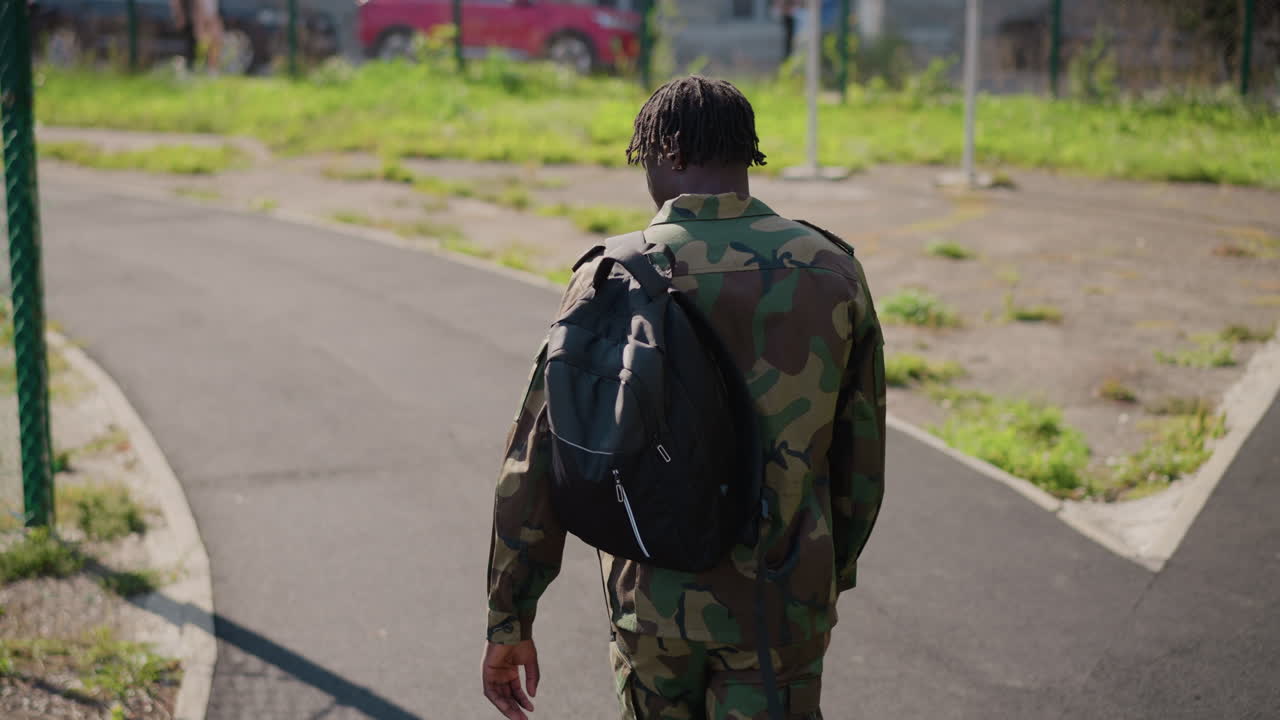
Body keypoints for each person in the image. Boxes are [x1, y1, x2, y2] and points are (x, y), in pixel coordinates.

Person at [482, 75, 886, 720]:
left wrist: (510, 617)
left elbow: (537, 458)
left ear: (668, 150)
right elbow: (862, 456)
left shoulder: (612, 276)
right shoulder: (831, 270)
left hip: (654, 599)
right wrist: (822, 574)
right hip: (783, 603)